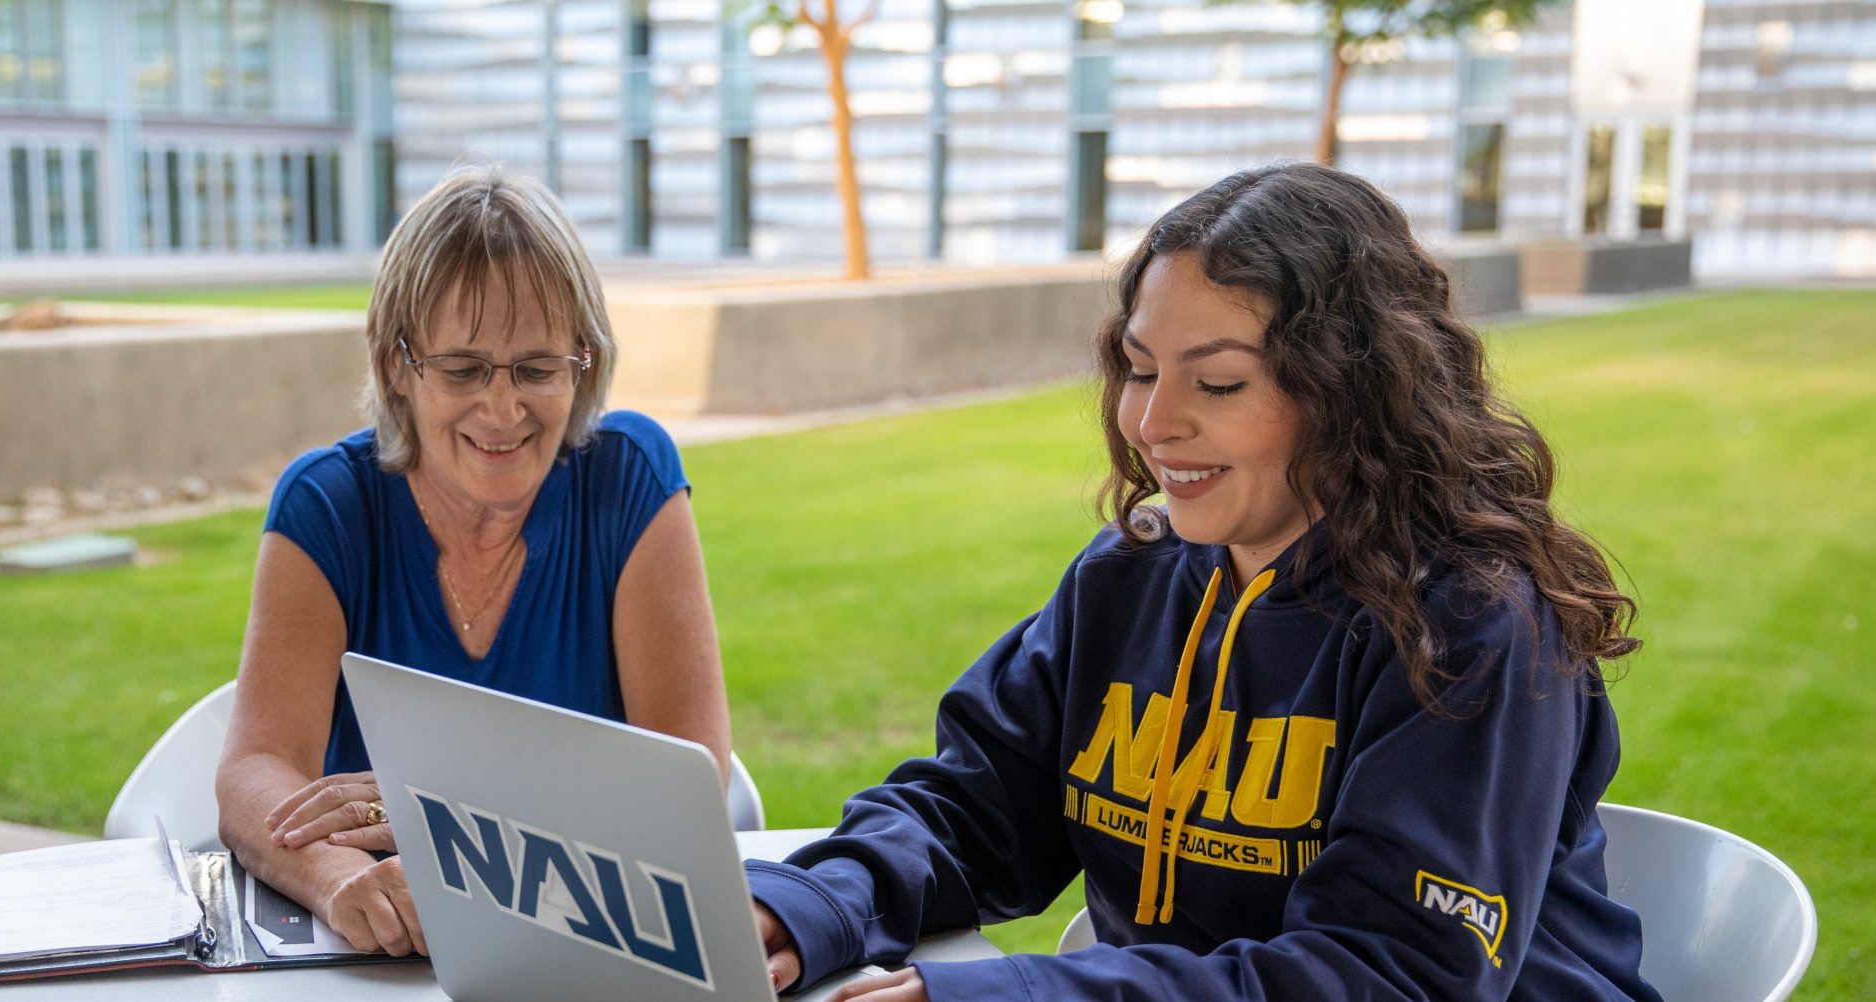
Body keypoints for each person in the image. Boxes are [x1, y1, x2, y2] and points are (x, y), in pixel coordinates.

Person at [746, 162, 1662, 1001]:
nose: (1150, 422)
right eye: (1138, 370)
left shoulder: (1472, 628)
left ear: (1355, 392)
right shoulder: (1127, 581)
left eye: (1217, 384)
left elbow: (1392, 973)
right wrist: (812, 905)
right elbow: (971, 809)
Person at [215, 161, 731, 959]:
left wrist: (431, 808)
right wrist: (335, 875)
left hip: (586, 933)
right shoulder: (326, 504)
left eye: (537, 367)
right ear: (399, 365)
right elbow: (257, 765)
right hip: (385, 939)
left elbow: (693, 770)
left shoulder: (631, 477)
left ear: (583, 361)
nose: (502, 407)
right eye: (462, 369)